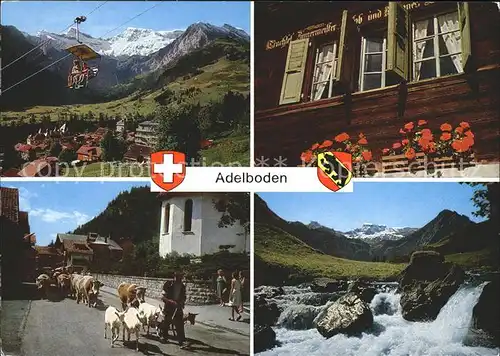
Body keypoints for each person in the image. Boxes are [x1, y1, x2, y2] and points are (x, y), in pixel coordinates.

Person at [161, 272, 188, 349]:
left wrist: (182, 302)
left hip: (178, 307)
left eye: (180, 277)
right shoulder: (168, 284)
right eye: (176, 276)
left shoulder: (182, 286)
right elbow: (163, 297)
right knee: (167, 322)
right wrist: (171, 302)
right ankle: (164, 337)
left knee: (180, 324)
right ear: (174, 277)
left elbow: (184, 296)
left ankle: (181, 341)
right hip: (169, 307)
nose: (178, 278)